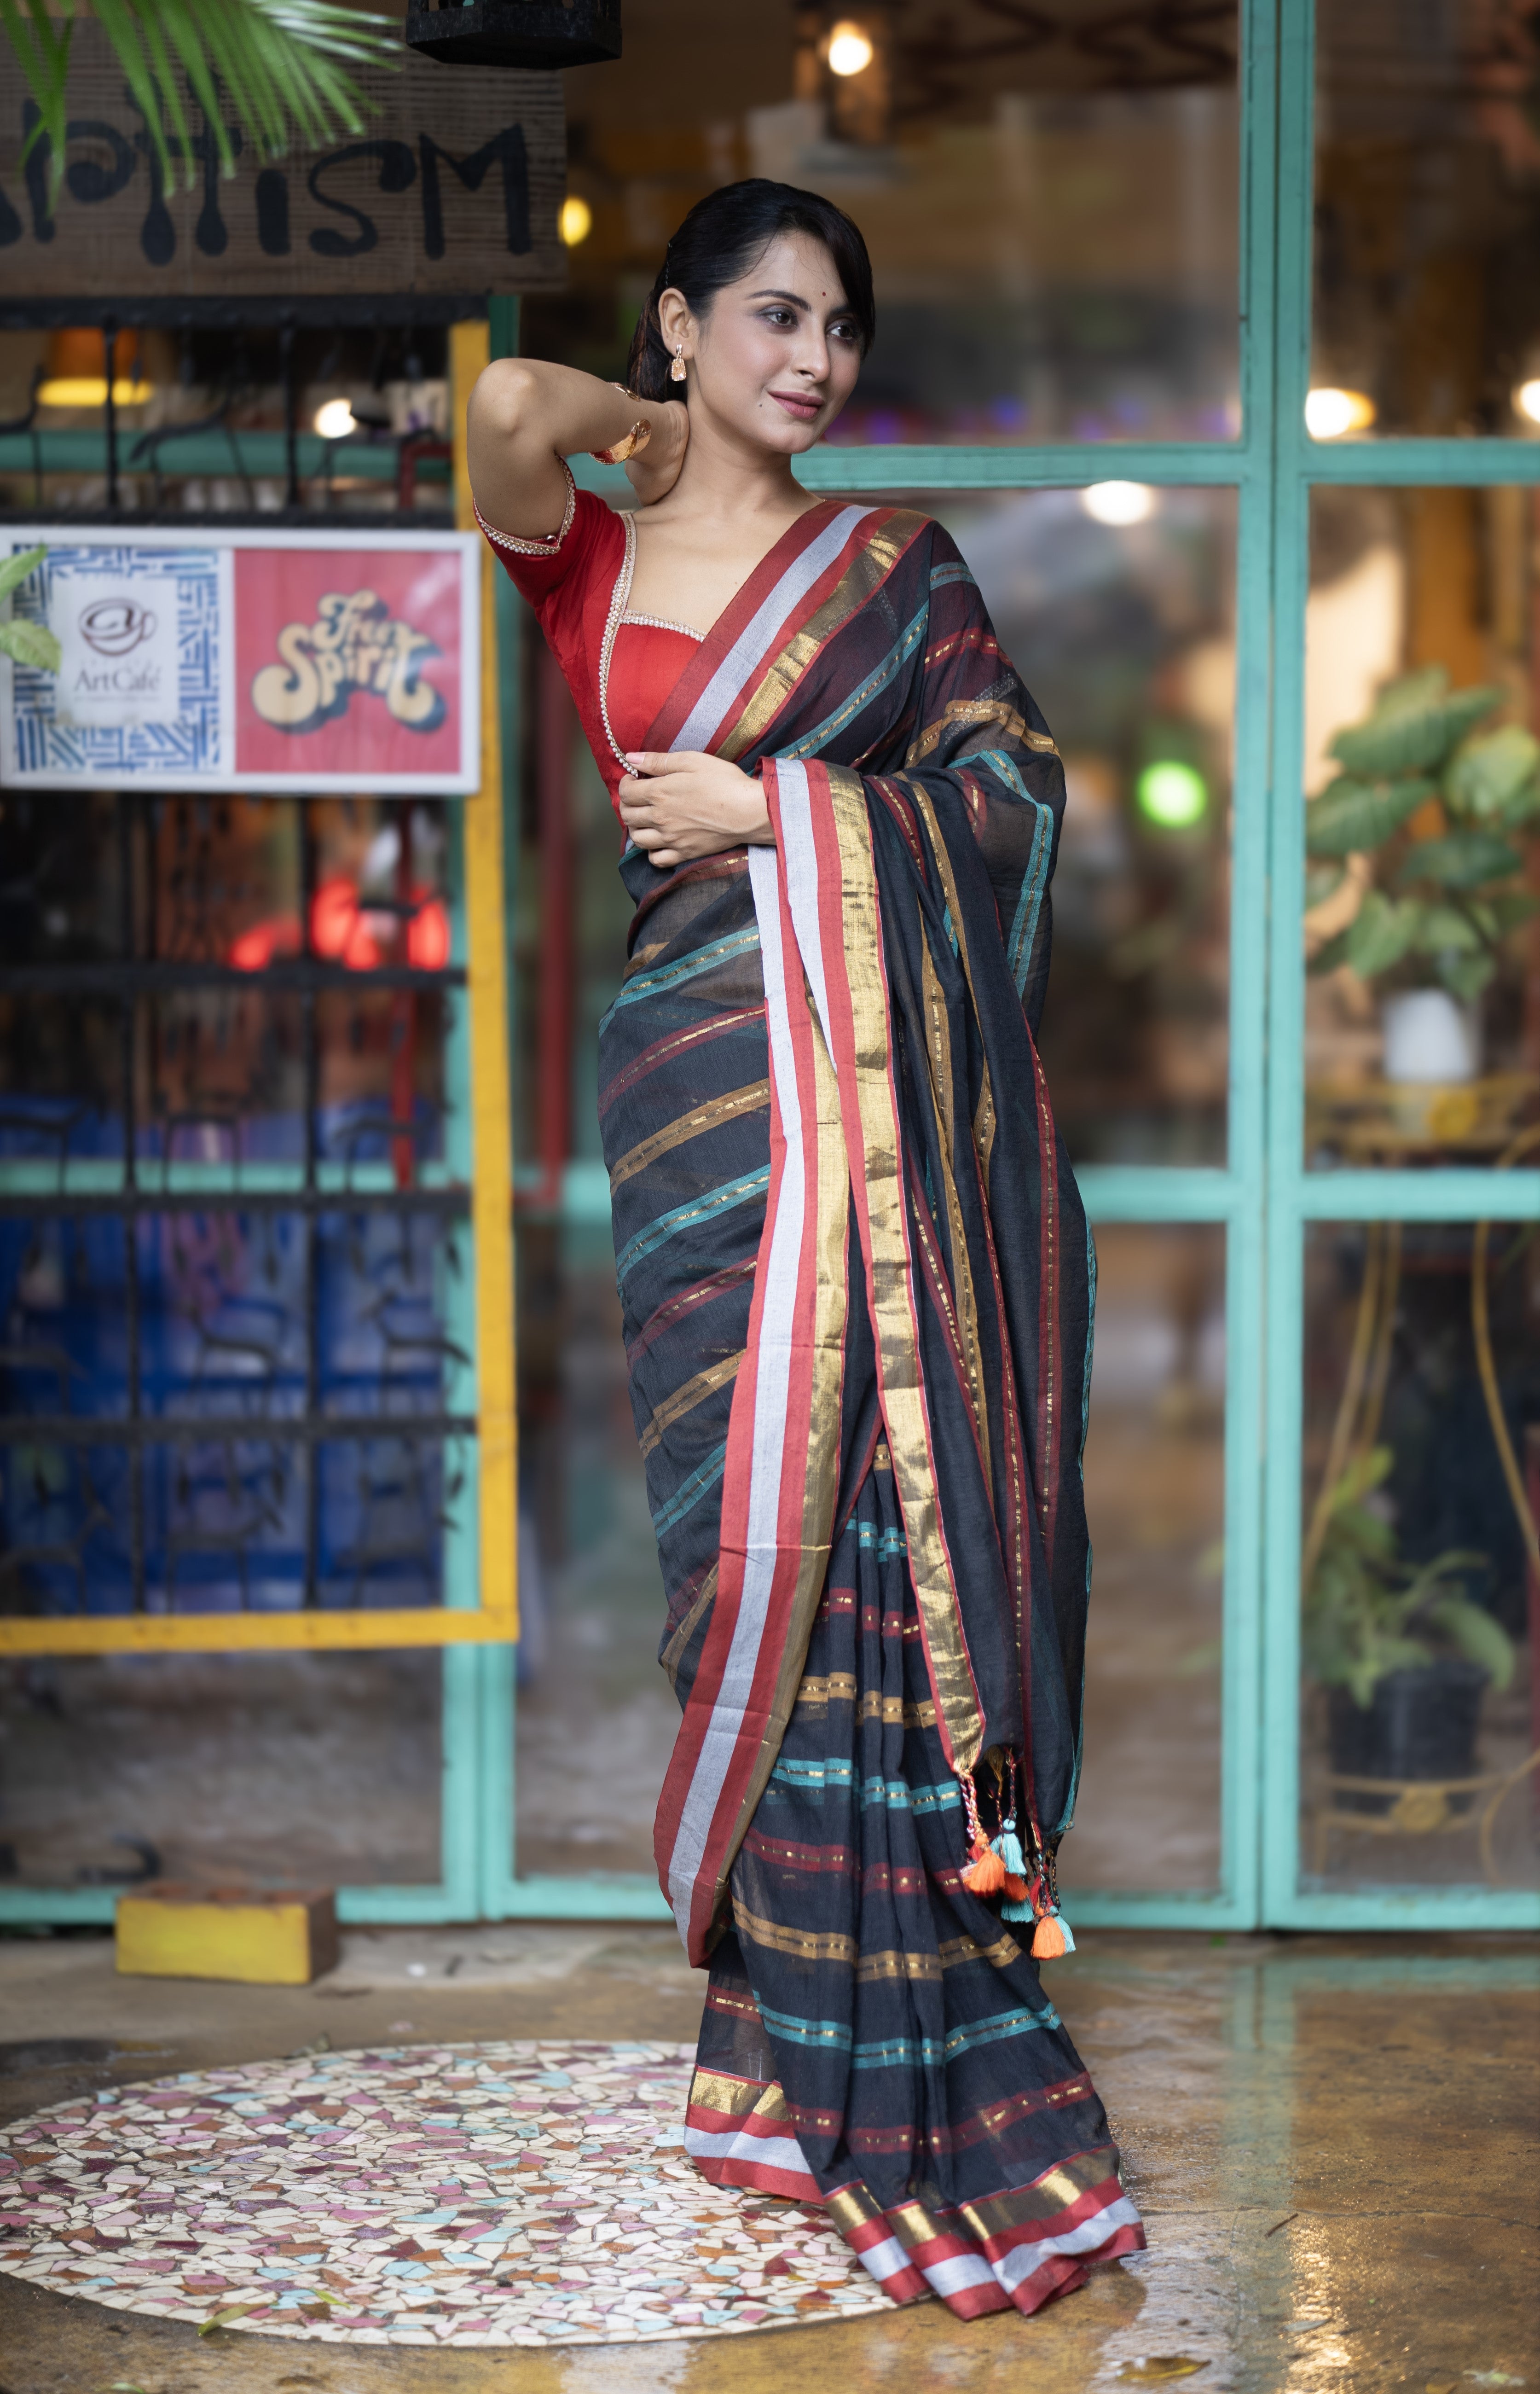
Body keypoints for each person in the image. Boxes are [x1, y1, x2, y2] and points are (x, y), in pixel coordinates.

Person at [468, 178, 1145, 2321]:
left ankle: (898, 2059)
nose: (815, 362)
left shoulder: (899, 576)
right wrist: (648, 437)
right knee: (742, 1566)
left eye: (839, 328)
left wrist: (783, 814)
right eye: (772, 316)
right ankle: (775, 2055)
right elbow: (497, 409)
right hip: (697, 1106)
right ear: (679, 326)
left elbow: (1017, 795)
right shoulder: (592, 548)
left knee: (876, 1548)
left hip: (873, 1124)